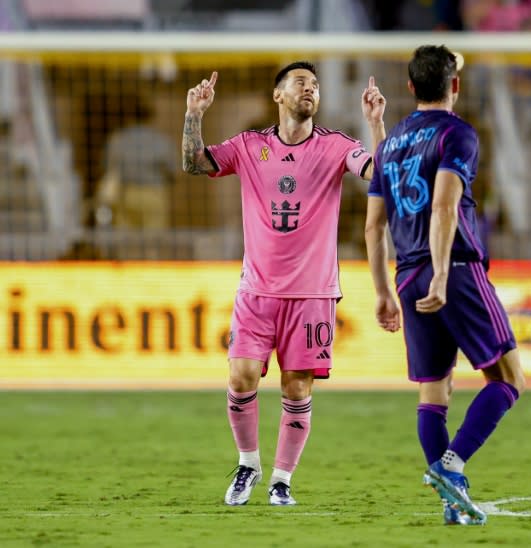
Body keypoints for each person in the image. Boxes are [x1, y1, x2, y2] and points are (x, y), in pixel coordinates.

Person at [182, 63, 386, 506]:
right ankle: (247, 463)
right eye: (300, 83)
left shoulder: (336, 146)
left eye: (314, 84)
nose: (310, 89)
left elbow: (379, 173)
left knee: (296, 389)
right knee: (241, 376)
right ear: (278, 95)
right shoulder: (249, 145)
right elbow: (195, 164)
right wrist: (194, 113)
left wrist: (376, 125)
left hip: (312, 294)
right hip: (257, 290)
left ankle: (281, 481)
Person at [364, 45, 526, 526]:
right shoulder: (458, 134)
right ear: (454, 86)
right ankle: (451, 469)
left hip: (406, 276)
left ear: (410, 88)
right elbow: (444, 207)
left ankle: (450, 506)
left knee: (434, 393)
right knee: (510, 378)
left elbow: (374, 227)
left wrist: (380, 291)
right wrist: (440, 270)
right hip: (451, 268)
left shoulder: (389, 145)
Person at [97, 99, 175, 229]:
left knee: (125, 240)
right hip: (153, 194)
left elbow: (106, 167)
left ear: (130, 117)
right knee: (153, 239)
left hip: (126, 194)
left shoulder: (117, 139)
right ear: (150, 117)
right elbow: (173, 171)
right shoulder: (161, 141)